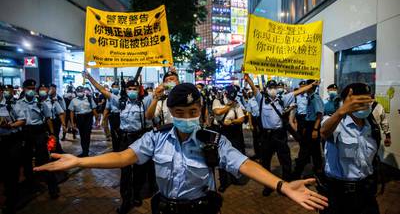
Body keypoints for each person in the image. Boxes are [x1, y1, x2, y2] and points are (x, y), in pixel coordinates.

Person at [34, 83, 328, 214]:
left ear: (201, 111)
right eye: (180, 112)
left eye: (193, 112)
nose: (187, 118)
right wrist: (81, 162)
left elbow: (244, 165)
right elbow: (124, 157)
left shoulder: (214, 140)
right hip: (164, 209)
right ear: (170, 112)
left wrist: (282, 186)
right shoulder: (156, 138)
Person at [83, 71, 153, 214]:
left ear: (138, 90)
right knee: (125, 172)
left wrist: (171, 75)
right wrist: (90, 78)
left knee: (139, 170)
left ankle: (137, 195)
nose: (132, 91)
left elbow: (159, 92)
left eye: (134, 89)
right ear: (125, 90)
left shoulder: (144, 102)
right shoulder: (119, 101)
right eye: (129, 89)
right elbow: (102, 90)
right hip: (125, 140)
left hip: (139, 139)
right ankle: (126, 201)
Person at [245, 74, 319, 196]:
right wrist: (248, 80)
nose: (273, 89)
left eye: (274, 87)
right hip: (266, 136)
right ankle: (268, 185)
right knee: (265, 162)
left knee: (285, 160)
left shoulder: (282, 99)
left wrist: (311, 85)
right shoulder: (261, 99)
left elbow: (297, 92)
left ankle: (287, 185)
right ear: (267, 89)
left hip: (279, 135)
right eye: (271, 87)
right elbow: (254, 88)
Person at [319, 83, 380, 214]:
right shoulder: (334, 122)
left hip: (365, 191)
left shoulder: (372, 126)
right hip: (338, 193)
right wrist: (341, 111)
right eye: (358, 101)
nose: (363, 105)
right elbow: (324, 132)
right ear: (346, 102)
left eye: (366, 100)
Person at [18, 79, 59, 198]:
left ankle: (53, 188)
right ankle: (31, 186)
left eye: (32, 88)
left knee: (44, 160)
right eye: (28, 88)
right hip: (26, 133)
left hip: (39, 133)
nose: (31, 91)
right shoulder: (18, 103)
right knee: (27, 161)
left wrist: (52, 134)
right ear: (24, 89)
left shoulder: (41, 103)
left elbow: (48, 119)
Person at [212, 84, 246, 192]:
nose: (232, 98)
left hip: (232, 131)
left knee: (233, 155)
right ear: (225, 93)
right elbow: (217, 112)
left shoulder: (237, 104)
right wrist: (229, 106)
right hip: (220, 131)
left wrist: (232, 121)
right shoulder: (217, 101)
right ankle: (223, 182)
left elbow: (241, 118)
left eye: (233, 96)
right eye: (230, 96)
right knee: (221, 156)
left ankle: (234, 178)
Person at [0, 84, 26, 214]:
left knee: (11, 172)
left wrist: (9, 126)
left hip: (10, 141)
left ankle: (12, 203)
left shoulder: (11, 104)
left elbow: (22, 120)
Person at [293, 80, 324, 179]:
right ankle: (318, 170)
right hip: (308, 125)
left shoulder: (315, 98)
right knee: (315, 150)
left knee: (305, 150)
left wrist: (315, 129)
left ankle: (297, 173)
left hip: (313, 126)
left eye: (306, 86)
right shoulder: (309, 97)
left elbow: (319, 115)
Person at [68, 85, 98, 157]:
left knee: (87, 135)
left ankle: (86, 152)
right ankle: (84, 151)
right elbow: (71, 112)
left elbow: (93, 109)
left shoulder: (89, 98)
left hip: (88, 117)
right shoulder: (73, 100)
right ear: (76, 92)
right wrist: (72, 123)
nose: (80, 93)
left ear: (83, 91)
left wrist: (97, 118)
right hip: (79, 118)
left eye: (81, 91)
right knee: (82, 135)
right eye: (78, 91)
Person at [38, 84, 67, 153]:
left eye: (44, 89)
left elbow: (60, 113)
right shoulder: (36, 101)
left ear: (48, 90)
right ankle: (57, 152)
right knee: (42, 141)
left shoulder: (53, 100)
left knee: (52, 139)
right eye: (40, 89)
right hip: (40, 124)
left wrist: (63, 124)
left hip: (53, 123)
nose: (42, 91)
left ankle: (53, 154)